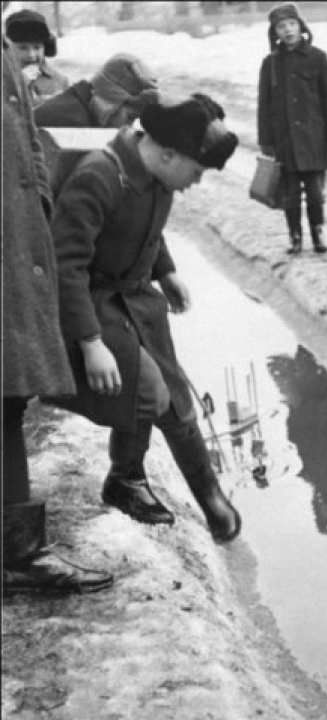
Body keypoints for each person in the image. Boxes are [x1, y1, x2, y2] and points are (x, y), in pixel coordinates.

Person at [46, 93, 242, 543]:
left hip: (136, 296)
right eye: (195, 172)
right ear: (168, 153)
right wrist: (90, 342)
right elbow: (65, 264)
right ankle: (125, 479)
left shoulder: (155, 174)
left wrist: (166, 272)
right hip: (90, 300)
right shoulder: (100, 175)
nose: (194, 182)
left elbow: (146, 228)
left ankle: (208, 496)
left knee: (173, 394)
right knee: (147, 389)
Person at [2, 35, 113, 596]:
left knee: (8, 398)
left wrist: (39, 203)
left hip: (16, 248)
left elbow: (26, 147)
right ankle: (22, 555)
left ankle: (22, 552)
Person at [257, 2, 327, 255]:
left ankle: (318, 233)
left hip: (314, 139)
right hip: (284, 141)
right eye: (281, 26)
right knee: (290, 196)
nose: (287, 30)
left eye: (292, 24)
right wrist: (266, 140)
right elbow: (264, 103)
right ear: (275, 32)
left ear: (301, 26)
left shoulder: (318, 58)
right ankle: (295, 237)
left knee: (316, 194)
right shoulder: (270, 64)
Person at [34, 52, 159, 129]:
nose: (128, 127)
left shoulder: (83, 105)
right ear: (109, 104)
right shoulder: (71, 123)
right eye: (129, 117)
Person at [4, 8, 68, 106]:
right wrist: (17, 85)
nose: (31, 55)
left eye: (37, 47)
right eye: (22, 48)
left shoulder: (60, 81)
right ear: (9, 49)